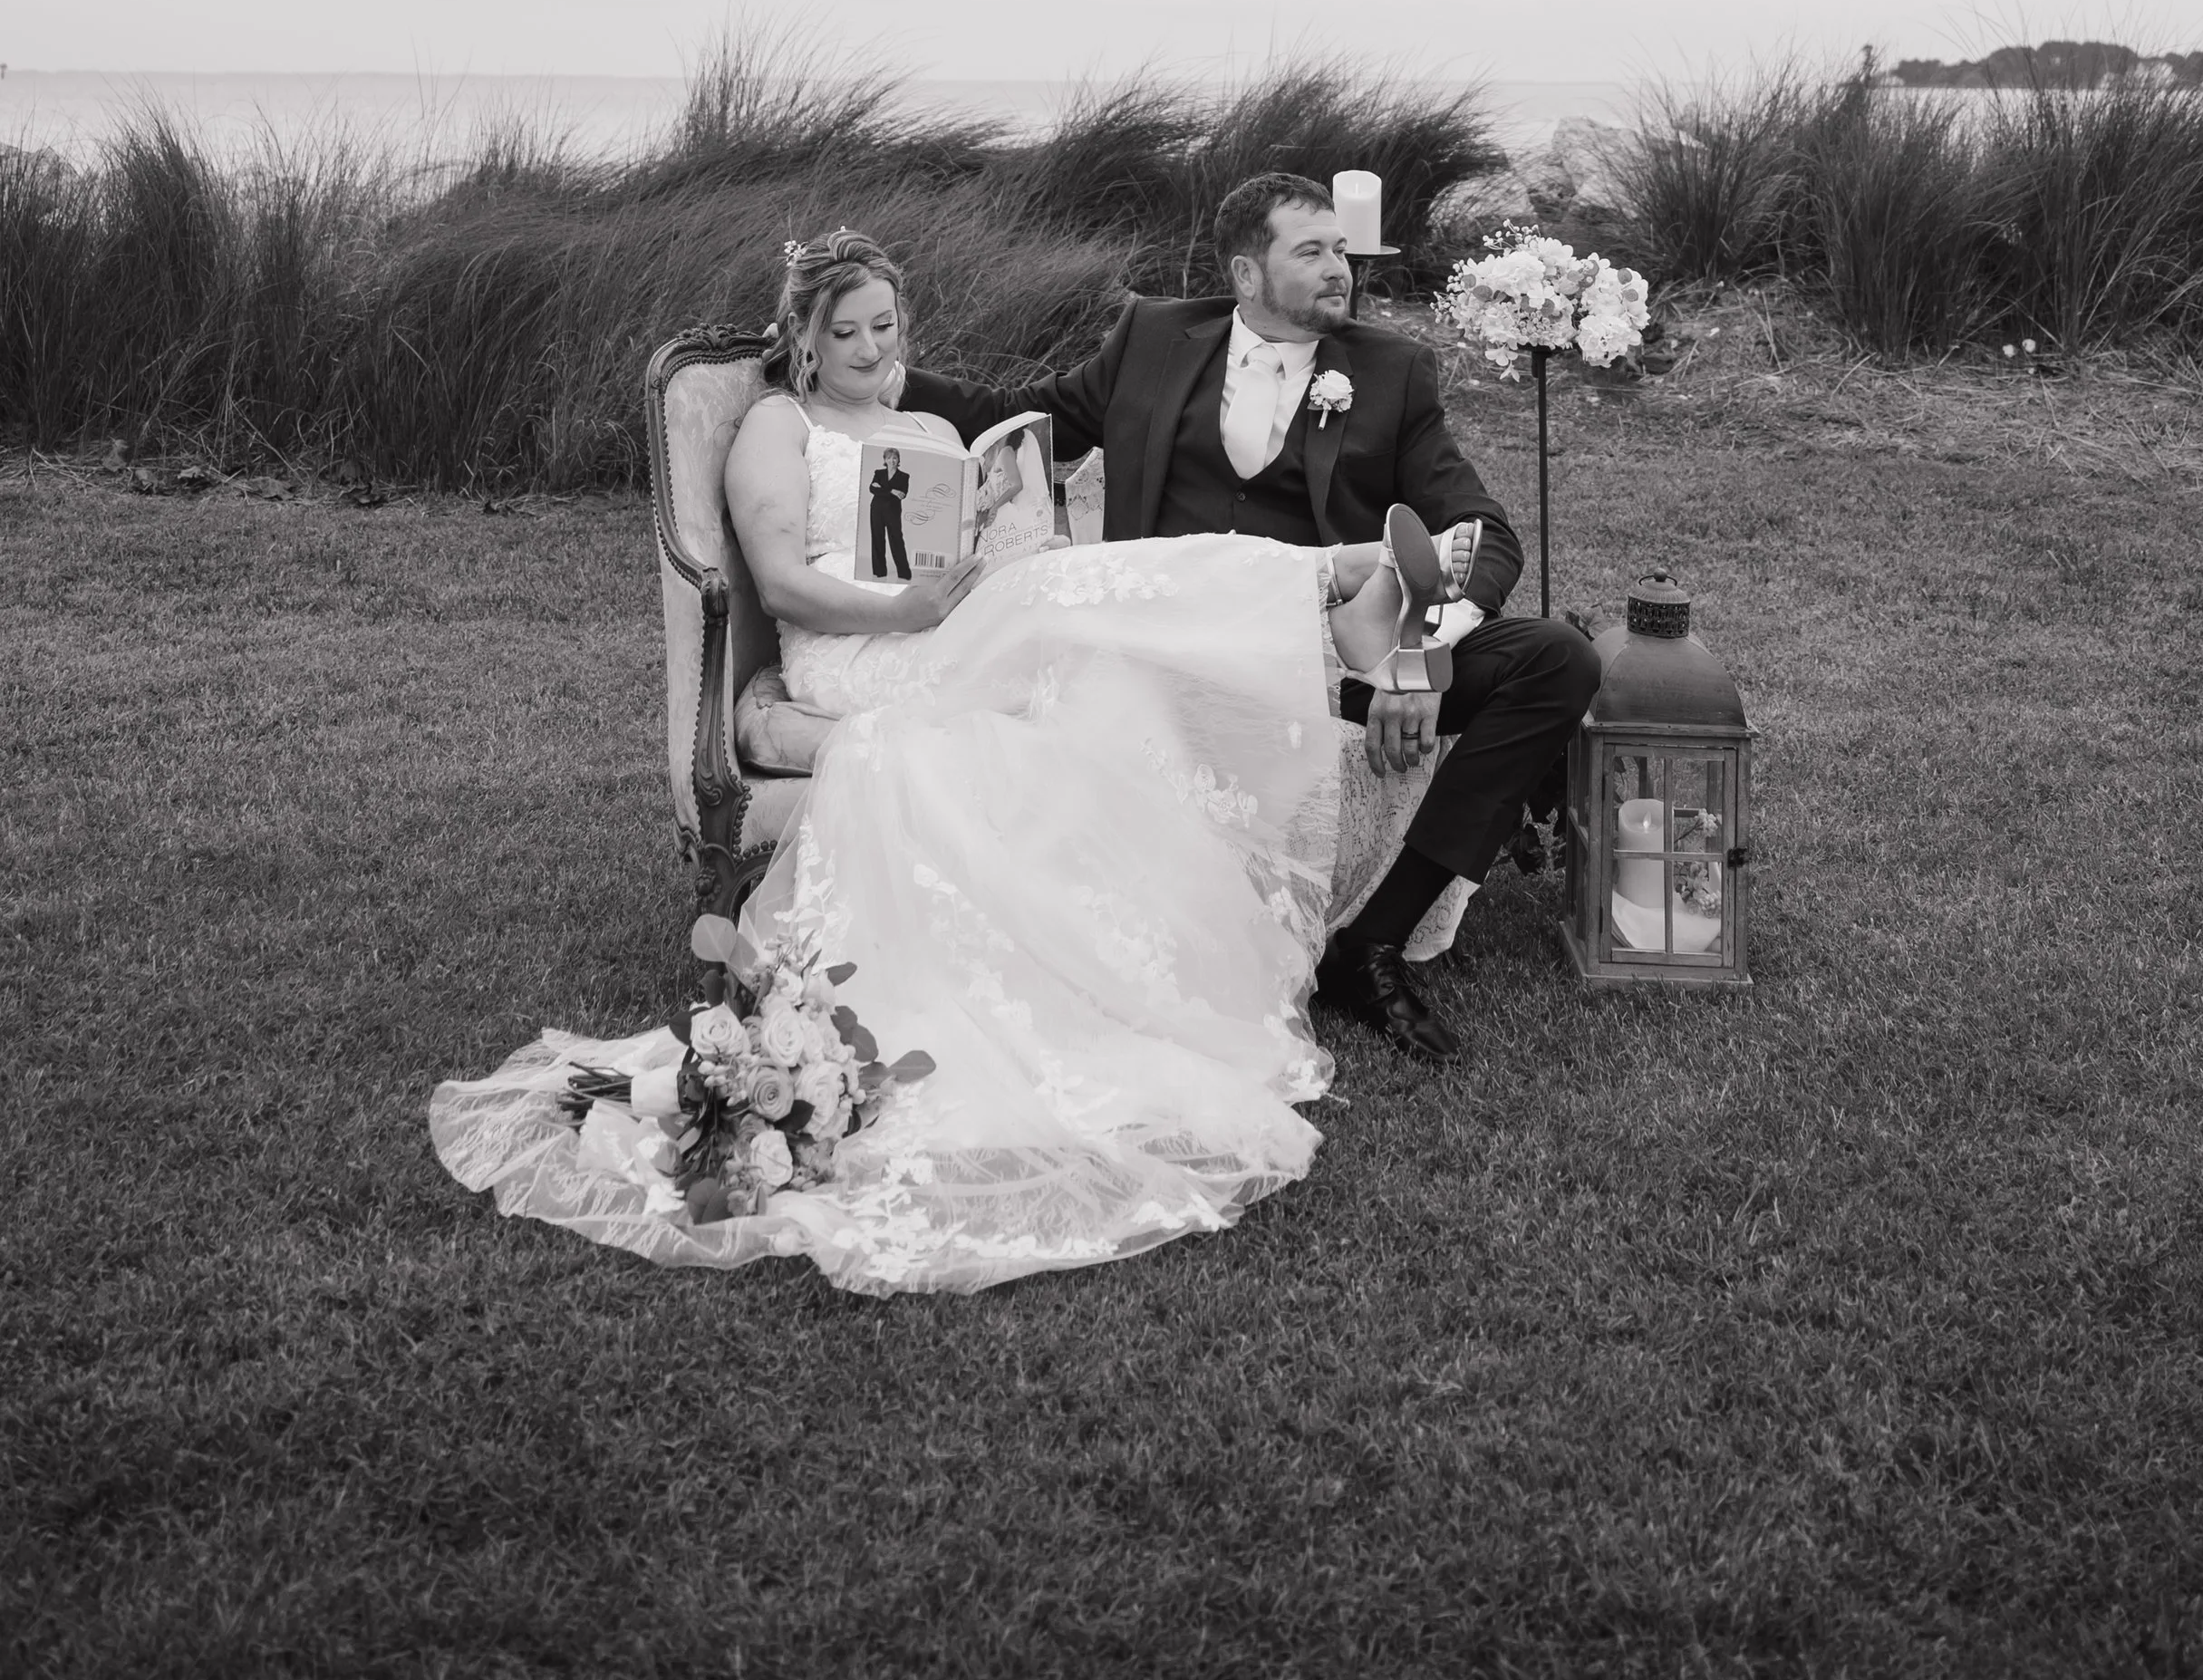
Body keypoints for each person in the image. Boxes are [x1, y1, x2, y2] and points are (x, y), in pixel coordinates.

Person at [430, 228, 1444, 1296]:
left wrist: (1006, 540)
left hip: (945, 634)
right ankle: (1329, 588)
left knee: (1093, 637)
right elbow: (778, 586)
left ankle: (1320, 613)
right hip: (859, 650)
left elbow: (974, 557)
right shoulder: (780, 426)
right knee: (1079, 612)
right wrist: (904, 606)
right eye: (848, 332)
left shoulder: (922, 427)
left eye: (888, 326)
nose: (873, 348)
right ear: (805, 342)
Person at [905, 173, 1599, 1065]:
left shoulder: (1389, 372)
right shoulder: (1152, 341)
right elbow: (1023, 420)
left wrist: (1417, 660)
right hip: (1179, 653)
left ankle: (1372, 945)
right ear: (1244, 272)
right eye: (1310, 252)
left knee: (1556, 659)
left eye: (1341, 250)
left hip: (1337, 652)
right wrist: (881, 373)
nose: (1337, 269)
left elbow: (1477, 532)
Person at [865, 446, 913, 581]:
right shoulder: (878, 473)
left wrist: (882, 489)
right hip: (876, 510)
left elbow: (903, 495)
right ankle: (880, 572)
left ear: (898, 460)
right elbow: (872, 489)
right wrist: (892, 491)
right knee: (877, 539)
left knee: (896, 540)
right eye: (889, 458)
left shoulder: (904, 476)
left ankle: (904, 573)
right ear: (885, 460)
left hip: (893, 512)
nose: (892, 460)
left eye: (894, 458)